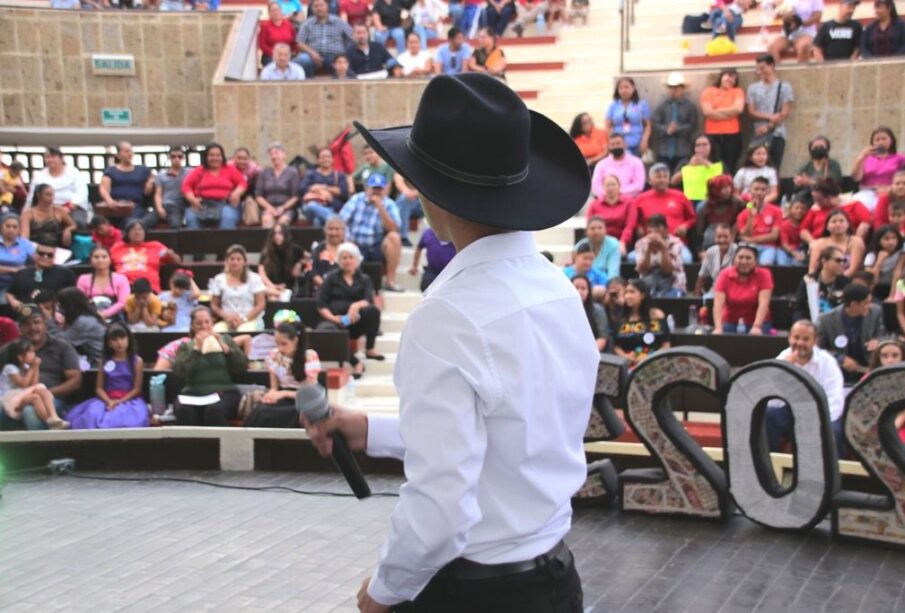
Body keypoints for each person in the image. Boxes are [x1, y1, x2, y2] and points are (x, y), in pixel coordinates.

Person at [308, 74, 594, 611]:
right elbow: (505, 430)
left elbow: (441, 505)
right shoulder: (556, 288)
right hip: (554, 580)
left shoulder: (446, 315)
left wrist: (385, 589)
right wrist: (372, 430)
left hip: (476, 594)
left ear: (433, 195)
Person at [765, 320, 846, 456]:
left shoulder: (827, 363)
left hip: (821, 413)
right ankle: (771, 465)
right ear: (789, 338)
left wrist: (819, 424)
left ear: (815, 341)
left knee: (834, 432)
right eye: (796, 338)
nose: (800, 343)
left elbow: (835, 401)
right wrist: (784, 371)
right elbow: (772, 401)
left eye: (806, 339)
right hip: (792, 412)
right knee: (768, 416)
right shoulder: (782, 359)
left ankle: (833, 474)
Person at [0, 304, 81, 429]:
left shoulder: (61, 346)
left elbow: (75, 380)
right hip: (13, 398)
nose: (32, 327)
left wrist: (46, 393)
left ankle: (40, 448)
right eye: (26, 324)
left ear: (45, 324)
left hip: (50, 399)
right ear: (20, 327)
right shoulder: (10, 349)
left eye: (36, 322)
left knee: (30, 412)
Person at [316, 242, 383, 378]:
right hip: (335, 320)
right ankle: (356, 362)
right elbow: (321, 304)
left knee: (372, 311)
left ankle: (370, 348)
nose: (347, 261)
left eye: (350, 257)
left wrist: (356, 306)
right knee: (325, 329)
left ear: (357, 260)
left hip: (357, 321)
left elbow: (368, 299)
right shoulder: (331, 278)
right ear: (339, 260)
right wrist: (333, 318)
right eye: (344, 258)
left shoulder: (364, 279)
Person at [172, 307, 248, 427]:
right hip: (193, 394)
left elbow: (241, 367)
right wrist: (196, 350)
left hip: (223, 393)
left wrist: (226, 349)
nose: (204, 326)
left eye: (207, 322)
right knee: (185, 411)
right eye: (199, 323)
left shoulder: (225, 340)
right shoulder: (186, 346)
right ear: (192, 326)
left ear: (212, 323)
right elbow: (179, 372)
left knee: (214, 411)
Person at [65, 324, 149, 430]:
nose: (119, 343)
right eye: (114, 339)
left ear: (128, 339)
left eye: (123, 338)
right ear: (108, 343)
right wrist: (108, 401)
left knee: (129, 420)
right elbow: (99, 388)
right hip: (107, 399)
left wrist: (120, 401)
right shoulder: (104, 361)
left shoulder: (137, 361)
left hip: (129, 399)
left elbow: (137, 389)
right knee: (92, 416)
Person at [246, 317, 323, 428]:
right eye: (277, 343)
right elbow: (274, 387)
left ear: (295, 341)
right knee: (261, 411)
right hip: (282, 396)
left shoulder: (310, 357)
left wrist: (283, 394)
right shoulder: (274, 356)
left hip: (303, 399)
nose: (280, 348)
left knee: (287, 414)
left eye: (284, 343)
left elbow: (310, 392)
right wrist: (271, 395)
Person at [340, 173, 403, 291]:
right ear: (367, 188)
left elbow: (394, 228)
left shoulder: (389, 204)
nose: (376, 192)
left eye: (379, 189)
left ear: (384, 190)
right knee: (337, 233)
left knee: (394, 237)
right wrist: (348, 240)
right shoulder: (356, 199)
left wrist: (380, 207)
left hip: (376, 245)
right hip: (355, 243)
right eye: (374, 188)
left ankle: (390, 281)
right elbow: (341, 221)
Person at [816, 282, 886, 384]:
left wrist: (877, 341)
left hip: (868, 369)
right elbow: (819, 348)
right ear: (853, 304)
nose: (869, 306)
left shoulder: (876, 312)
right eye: (866, 303)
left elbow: (882, 334)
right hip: (839, 372)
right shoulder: (826, 320)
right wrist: (840, 359)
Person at [0, 337, 69, 430]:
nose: (34, 354)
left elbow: (33, 385)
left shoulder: (25, 367)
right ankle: (52, 418)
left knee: (35, 397)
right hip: (10, 401)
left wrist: (36, 369)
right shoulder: (10, 368)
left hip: (21, 397)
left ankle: (52, 419)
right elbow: (24, 384)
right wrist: (33, 368)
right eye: (30, 352)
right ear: (20, 357)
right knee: (40, 387)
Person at [632, 163, 695, 263]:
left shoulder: (680, 196)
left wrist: (685, 226)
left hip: (675, 242)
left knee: (687, 259)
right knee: (631, 259)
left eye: (665, 177)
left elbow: (693, 218)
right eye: (658, 177)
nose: (662, 180)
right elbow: (632, 219)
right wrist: (638, 226)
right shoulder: (640, 199)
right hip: (649, 242)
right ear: (650, 180)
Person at [181, 142, 246, 230]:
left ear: (222, 157)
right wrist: (192, 199)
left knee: (228, 218)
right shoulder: (199, 170)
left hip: (225, 204)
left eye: (218, 155)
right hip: (202, 204)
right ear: (206, 157)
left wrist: (236, 193)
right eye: (211, 155)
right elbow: (186, 186)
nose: (215, 158)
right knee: (191, 218)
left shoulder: (230, 169)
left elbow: (242, 183)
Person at [712, 244, 774, 334]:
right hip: (731, 320)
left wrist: (756, 326)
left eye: (748, 258)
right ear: (734, 259)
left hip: (757, 321)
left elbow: (763, 304)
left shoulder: (765, 274)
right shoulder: (724, 274)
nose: (744, 261)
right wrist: (718, 327)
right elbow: (718, 304)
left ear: (755, 261)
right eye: (740, 257)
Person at [745, 54, 794, 169]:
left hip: (777, 133)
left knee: (774, 167)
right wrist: (770, 116)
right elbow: (751, 111)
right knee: (755, 167)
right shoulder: (753, 88)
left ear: (771, 65)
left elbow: (784, 112)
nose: (760, 72)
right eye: (758, 69)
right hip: (758, 133)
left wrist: (768, 126)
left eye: (762, 68)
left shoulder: (784, 87)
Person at [109, 219, 181, 293]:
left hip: (149, 288)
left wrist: (171, 254)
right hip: (124, 287)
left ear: (144, 232)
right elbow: (106, 260)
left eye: (140, 229)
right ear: (127, 233)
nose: (137, 232)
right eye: (133, 230)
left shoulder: (156, 246)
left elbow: (178, 261)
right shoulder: (117, 247)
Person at [26, 148, 89, 230]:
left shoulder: (74, 172)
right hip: (44, 209)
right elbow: (31, 196)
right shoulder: (39, 175)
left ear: (61, 158)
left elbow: (82, 193)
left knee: (78, 223)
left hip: (71, 208)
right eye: (47, 157)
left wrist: (67, 208)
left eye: (53, 157)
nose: (49, 160)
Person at [612, 278, 671, 367]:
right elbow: (616, 346)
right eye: (626, 293)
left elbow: (666, 345)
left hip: (653, 362)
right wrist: (626, 357)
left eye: (632, 292)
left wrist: (648, 358)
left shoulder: (656, 315)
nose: (628, 296)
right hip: (627, 363)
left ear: (643, 295)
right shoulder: (621, 319)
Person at [209, 244, 267, 332]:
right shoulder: (219, 279)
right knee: (215, 332)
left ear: (244, 261)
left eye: (238, 259)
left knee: (243, 332)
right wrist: (226, 317)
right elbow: (214, 305)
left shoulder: (255, 278)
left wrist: (243, 319)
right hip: (227, 320)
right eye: (232, 259)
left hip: (249, 320)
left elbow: (260, 304)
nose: (235, 262)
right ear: (227, 261)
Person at [98, 141, 155, 227]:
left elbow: (154, 176)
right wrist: (109, 200)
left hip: (136, 207)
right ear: (118, 155)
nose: (130, 154)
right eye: (126, 151)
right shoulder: (111, 171)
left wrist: (150, 181)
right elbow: (103, 188)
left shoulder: (142, 170)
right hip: (116, 208)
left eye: (131, 151)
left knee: (138, 219)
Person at [6, 243, 75, 312]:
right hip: (26, 316)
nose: (45, 257)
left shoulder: (66, 274)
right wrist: (15, 303)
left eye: (49, 255)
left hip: (56, 316)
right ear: (34, 254)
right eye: (41, 253)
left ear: (54, 256)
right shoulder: (22, 273)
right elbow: (10, 293)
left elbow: (72, 297)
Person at [652, 72, 699, 174]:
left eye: (677, 88)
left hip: (683, 150)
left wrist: (678, 129)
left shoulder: (690, 107)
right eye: (671, 88)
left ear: (682, 89)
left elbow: (693, 125)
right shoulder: (662, 106)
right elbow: (655, 123)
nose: (674, 91)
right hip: (664, 150)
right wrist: (666, 129)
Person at [800, 178, 871, 244]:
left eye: (819, 200)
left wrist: (856, 240)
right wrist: (813, 243)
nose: (815, 202)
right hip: (820, 243)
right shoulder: (815, 208)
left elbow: (866, 222)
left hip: (847, 242)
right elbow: (803, 229)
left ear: (829, 197)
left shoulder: (852, 203)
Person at [700, 68, 745, 175]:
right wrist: (729, 112)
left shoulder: (737, 91)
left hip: (732, 134)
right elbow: (707, 112)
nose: (730, 80)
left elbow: (738, 109)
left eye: (734, 79)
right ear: (721, 76)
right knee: (714, 163)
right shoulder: (709, 91)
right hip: (712, 134)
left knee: (730, 165)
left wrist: (716, 111)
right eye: (728, 76)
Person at [294, 0, 355, 76]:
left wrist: (344, 52)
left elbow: (353, 36)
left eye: (321, 5)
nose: (319, 8)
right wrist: (312, 53)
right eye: (316, 6)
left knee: (343, 62)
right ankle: (308, 84)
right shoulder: (308, 23)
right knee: (302, 60)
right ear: (312, 9)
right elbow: (300, 42)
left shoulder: (338, 21)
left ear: (327, 7)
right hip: (312, 55)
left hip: (334, 55)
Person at [851, 127, 905, 210]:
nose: (880, 142)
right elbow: (856, 177)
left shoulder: (899, 158)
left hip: (890, 192)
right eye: (877, 140)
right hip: (867, 192)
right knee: (855, 205)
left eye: (884, 139)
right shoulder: (866, 158)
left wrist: (890, 189)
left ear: (891, 141)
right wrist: (862, 156)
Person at [633, 214, 687, 297]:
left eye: (658, 227)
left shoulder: (676, 243)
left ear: (666, 229)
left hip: (673, 282)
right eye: (651, 227)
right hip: (648, 280)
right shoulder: (641, 243)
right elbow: (641, 269)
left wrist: (663, 248)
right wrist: (648, 250)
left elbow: (668, 270)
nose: (654, 231)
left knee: (668, 297)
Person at [736, 177, 785, 265]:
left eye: (763, 189)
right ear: (750, 190)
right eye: (756, 189)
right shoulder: (743, 214)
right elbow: (745, 235)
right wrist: (751, 216)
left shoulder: (776, 211)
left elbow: (774, 236)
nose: (759, 192)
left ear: (767, 191)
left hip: (768, 247)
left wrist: (751, 240)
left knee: (765, 264)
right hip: (748, 247)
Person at [794, 245, 850, 320]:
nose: (842, 264)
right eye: (838, 260)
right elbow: (799, 308)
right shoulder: (808, 280)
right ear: (824, 261)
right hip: (810, 322)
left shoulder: (846, 283)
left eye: (844, 261)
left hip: (835, 324)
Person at [807, 208, 866, 278]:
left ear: (848, 224)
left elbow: (853, 269)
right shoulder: (819, 243)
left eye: (841, 221)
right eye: (834, 221)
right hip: (823, 281)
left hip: (849, 281)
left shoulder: (856, 241)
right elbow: (812, 270)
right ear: (827, 226)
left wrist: (837, 282)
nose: (838, 224)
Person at [585, 175, 636, 254]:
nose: (610, 188)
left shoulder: (629, 202)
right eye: (607, 185)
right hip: (600, 241)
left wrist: (623, 242)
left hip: (623, 241)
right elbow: (590, 224)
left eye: (613, 184)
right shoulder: (595, 204)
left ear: (619, 186)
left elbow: (630, 225)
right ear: (603, 187)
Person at [55, 287, 107, 364]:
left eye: (61, 305)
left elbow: (59, 340)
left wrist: (49, 319)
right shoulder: (85, 317)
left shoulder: (83, 322)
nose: (59, 309)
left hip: (101, 361)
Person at [300, 148, 350, 227]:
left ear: (332, 159)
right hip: (311, 206)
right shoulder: (311, 174)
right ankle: (336, 222)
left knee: (317, 221)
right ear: (318, 160)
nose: (325, 159)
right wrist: (319, 192)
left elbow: (344, 193)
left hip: (331, 207)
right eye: (323, 157)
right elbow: (302, 189)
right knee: (311, 206)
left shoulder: (339, 175)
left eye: (328, 157)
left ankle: (331, 223)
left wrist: (325, 188)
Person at [255, 143, 301, 228]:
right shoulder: (264, 172)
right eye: (271, 154)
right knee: (267, 220)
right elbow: (258, 196)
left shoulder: (293, 172)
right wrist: (270, 208)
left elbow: (296, 196)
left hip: (287, 208)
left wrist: (282, 208)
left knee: (282, 223)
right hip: (268, 208)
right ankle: (268, 241)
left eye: (276, 153)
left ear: (284, 154)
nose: (274, 156)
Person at [604, 76, 651, 157]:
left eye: (626, 87)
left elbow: (648, 125)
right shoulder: (613, 105)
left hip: (636, 144)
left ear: (633, 88)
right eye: (621, 88)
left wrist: (644, 141)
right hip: (618, 146)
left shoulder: (641, 104)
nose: (624, 90)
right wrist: (612, 142)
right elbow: (607, 125)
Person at [671, 134, 724, 204]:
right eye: (698, 145)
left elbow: (724, 181)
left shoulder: (717, 162)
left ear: (711, 146)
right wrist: (689, 166)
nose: (701, 148)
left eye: (704, 145)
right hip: (688, 199)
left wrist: (708, 165)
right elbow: (673, 181)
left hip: (711, 199)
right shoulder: (685, 161)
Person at [590, 134, 646, 199]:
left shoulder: (637, 162)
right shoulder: (601, 164)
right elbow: (596, 186)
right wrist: (610, 196)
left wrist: (617, 193)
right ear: (609, 147)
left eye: (618, 143)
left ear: (625, 145)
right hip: (605, 201)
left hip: (629, 201)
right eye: (613, 144)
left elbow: (639, 185)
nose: (616, 146)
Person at [259, 223, 305, 301]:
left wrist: (299, 263)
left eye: (280, 233)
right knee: (271, 296)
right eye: (274, 233)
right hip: (270, 286)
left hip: (288, 286)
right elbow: (262, 273)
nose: (277, 236)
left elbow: (308, 257)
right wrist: (273, 286)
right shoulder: (267, 252)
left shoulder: (294, 249)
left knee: (276, 297)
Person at [697, 174, 742, 253]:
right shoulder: (705, 208)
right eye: (723, 188)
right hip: (711, 243)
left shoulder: (737, 203)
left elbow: (750, 207)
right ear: (715, 190)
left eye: (729, 187)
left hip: (732, 242)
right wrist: (700, 252)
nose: (728, 190)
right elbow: (698, 232)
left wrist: (747, 201)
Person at [147, 146, 189, 229]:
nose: (176, 159)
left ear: (183, 158)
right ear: (169, 157)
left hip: (178, 206)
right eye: (173, 156)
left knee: (175, 225)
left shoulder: (188, 173)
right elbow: (158, 194)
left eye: (179, 156)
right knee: (144, 223)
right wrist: (159, 208)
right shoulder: (161, 175)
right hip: (164, 205)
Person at [0, 214, 36, 304]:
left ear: (19, 229)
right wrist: (14, 270)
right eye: (8, 226)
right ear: (1, 227)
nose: (11, 229)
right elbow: (18, 269)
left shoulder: (25, 244)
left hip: (16, 284)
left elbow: (38, 260)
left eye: (15, 227)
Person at [694, 223, 737, 296]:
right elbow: (702, 275)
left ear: (731, 237)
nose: (722, 240)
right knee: (706, 300)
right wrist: (696, 296)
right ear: (715, 238)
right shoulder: (711, 252)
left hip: (735, 290)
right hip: (715, 290)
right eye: (719, 236)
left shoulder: (737, 251)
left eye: (725, 237)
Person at [408, 227, 456, 291]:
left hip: (451, 272)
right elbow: (419, 247)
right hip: (432, 270)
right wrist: (414, 266)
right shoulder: (428, 233)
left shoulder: (454, 233)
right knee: (426, 284)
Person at [576, 216, 621, 284]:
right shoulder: (579, 245)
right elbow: (576, 268)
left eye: (600, 228)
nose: (596, 231)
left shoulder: (613, 244)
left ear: (606, 230)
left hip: (606, 284)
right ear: (586, 231)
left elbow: (613, 273)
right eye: (592, 228)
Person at [572, 274, 610, 353]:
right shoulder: (563, 310)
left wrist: (588, 353)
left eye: (583, 288)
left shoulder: (597, 310)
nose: (579, 291)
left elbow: (602, 338)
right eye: (576, 287)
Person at [865, 225, 904, 299]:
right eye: (886, 239)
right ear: (879, 240)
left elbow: (897, 272)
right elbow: (871, 279)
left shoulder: (901, 253)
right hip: (878, 287)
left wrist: (892, 296)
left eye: (894, 238)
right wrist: (879, 261)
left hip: (898, 286)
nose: (891, 242)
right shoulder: (871, 255)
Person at [311, 216, 347, 291]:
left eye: (337, 229)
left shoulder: (349, 249)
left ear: (343, 231)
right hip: (322, 291)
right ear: (325, 231)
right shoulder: (318, 249)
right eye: (330, 229)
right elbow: (312, 272)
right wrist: (327, 287)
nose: (333, 233)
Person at [259, 1, 297, 66]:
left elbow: (294, 41)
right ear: (269, 13)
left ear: (281, 11)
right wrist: (277, 54)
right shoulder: (265, 26)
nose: (275, 12)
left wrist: (291, 52)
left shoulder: (288, 24)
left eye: (277, 10)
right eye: (272, 10)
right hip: (270, 56)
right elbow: (262, 45)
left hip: (287, 55)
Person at [392, 174, 423, 247]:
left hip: (423, 203)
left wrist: (415, 193)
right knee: (404, 199)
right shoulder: (402, 166)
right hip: (406, 202)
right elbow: (398, 180)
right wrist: (407, 193)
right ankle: (403, 237)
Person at [779, 196, 809, 266]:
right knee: (783, 263)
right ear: (790, 209)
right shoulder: (784, 224)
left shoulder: (806, 224)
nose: (799, 211)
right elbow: (784, 244)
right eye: (796, 208)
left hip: (800, 249)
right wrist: (794, 253)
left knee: (798, 263)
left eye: (803, 209)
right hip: (786, 250)